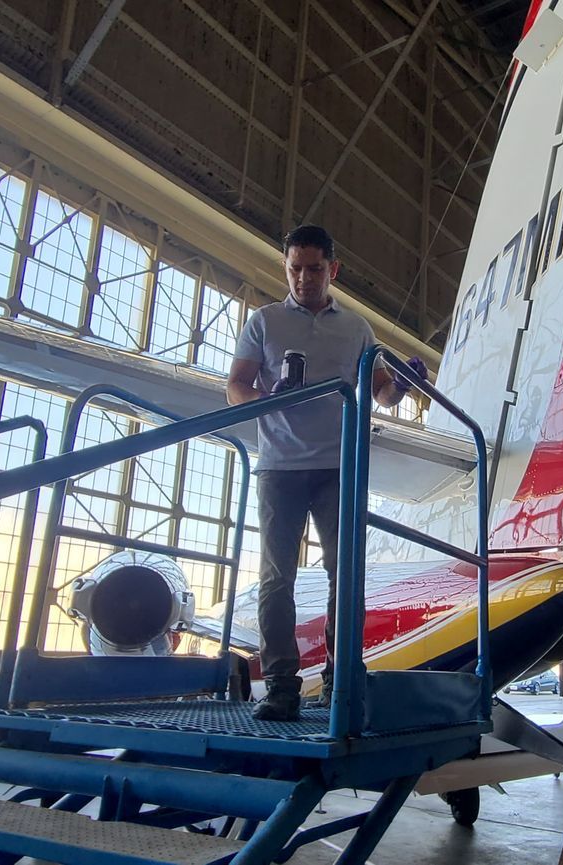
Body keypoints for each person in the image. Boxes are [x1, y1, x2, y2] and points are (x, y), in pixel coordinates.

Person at [226, 224, 422, 722]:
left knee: (345, 575)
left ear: (333, 270)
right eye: (295, 268)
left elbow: (380, 393)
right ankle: (281, 685)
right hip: (279, 468)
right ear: (285, 267)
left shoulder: (356, 329)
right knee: (276, 579)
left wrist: (402, 386)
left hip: (339, 466)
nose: (304, 278)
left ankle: (341, 679)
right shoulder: (264, 322)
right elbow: (234, 387)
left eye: (314, 269)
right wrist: (262, 400)